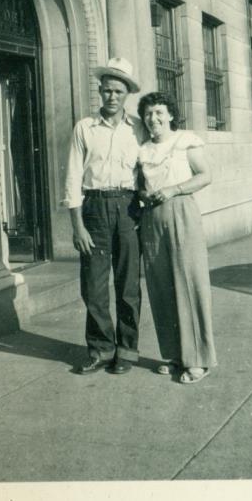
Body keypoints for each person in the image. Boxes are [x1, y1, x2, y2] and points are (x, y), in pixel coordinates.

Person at [63, 57, 146, 375]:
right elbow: (73, 177)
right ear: (100, 91)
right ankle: (101, 349)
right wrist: (77, 226)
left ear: (127, 95)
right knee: (94, 286)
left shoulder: (138, 128)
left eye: (118, 92)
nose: (112, 96)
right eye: (107, 90)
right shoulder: (85, 127)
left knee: (128, 286)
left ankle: (127, 350)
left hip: (128, 209)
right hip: (94, 210)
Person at [137, 91, 217, 384]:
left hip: (182, 212)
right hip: (152, 217)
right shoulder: (143, 149)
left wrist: (174, 189)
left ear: (171, 114)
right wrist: (144, 194)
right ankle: (174, 355)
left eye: (159, 112)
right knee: (160, 285)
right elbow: (140, 186)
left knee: (189, 282)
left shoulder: (185, 141)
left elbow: (205, 175)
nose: (153, 118)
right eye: (148, 113)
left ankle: (198, 360)